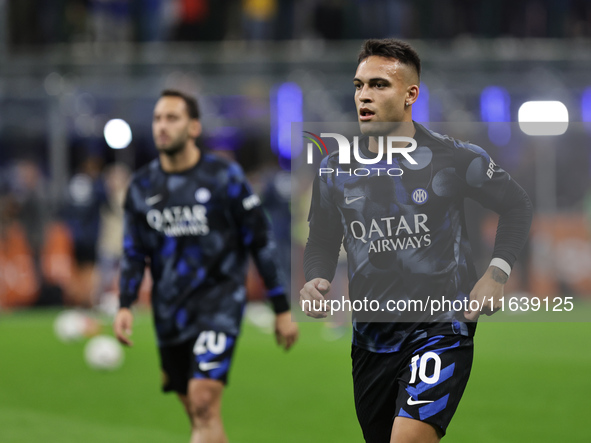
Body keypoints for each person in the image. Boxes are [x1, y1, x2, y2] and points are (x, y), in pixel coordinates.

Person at [300, 39, 532, 443]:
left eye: (378, 85)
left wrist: (497, 272)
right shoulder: (334, 169)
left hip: (441, 328)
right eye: (358, 85)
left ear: (411, 94)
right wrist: (315, 277)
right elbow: (321, 239)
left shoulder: (455, 158)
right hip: (371, 340)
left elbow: (517, 204)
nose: (363, 96)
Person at [114, 89, 298, 443]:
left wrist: (281, 308)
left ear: (194, 127)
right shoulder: (141, 186)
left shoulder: (224, 177)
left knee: (202, 400)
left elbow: (260, 240)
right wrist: (124, 303)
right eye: (157, 119)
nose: (162, 127)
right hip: (170, 312)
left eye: (172, 118)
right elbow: (134, 252)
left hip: (219, 305)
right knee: (200, 415)